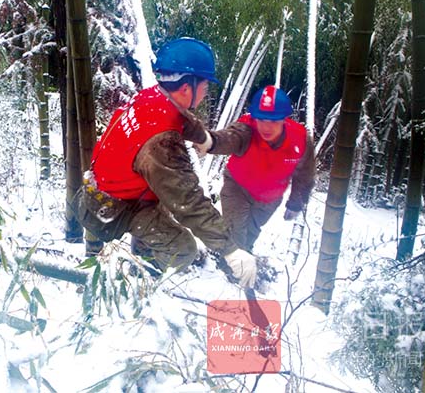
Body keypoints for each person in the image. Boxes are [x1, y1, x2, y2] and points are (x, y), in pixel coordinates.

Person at [74, 37, 257, 287]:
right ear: (186, 88)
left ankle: (124, 252)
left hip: (95, 190)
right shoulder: (161, 144)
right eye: (205, 85)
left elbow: (179, 118)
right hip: (115, 209)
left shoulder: (150, 97)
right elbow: (187, 200)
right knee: (182, 249)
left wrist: (204, 138)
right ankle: (129, 285)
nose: (206, 92)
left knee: (157, 205)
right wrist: (229, 249)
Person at [188, 85, 316, 252]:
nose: (266, 127)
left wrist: (296, 203)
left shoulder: (300, 139)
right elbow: (230, 137)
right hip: (237, 188)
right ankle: (232, 271)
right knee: (236, 234)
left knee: (251, 235)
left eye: (273, 121)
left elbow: (305, 175)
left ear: (284, 119)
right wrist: (209, 141)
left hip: (269, 200)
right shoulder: (247, 128)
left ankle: (239, 260)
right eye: (261, 119)